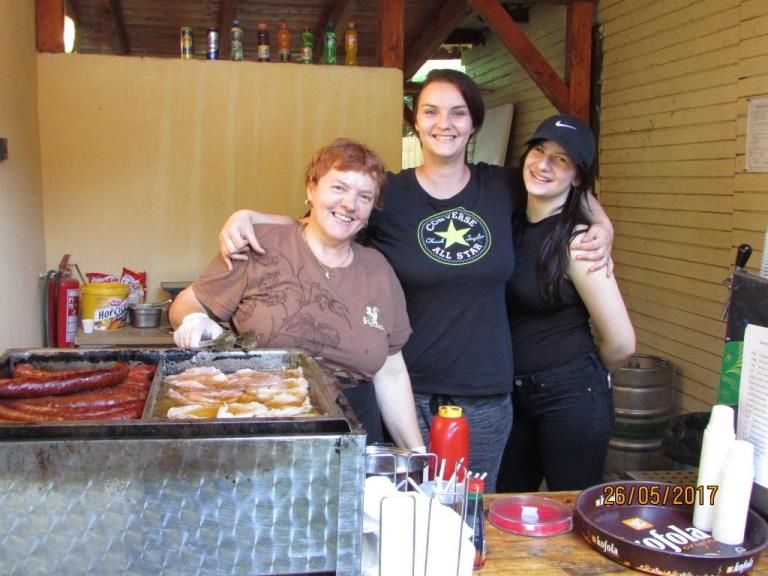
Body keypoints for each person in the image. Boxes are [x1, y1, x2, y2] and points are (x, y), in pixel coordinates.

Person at [215, 70, 613, 492]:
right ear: (416, 122)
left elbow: (568, 186)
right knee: (407, 508)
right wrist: (249, 217)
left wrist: (603, 224)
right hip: (407, 391)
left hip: (485, 395)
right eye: (431, 111)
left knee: (468, 510)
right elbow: (318, 223)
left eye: (458, 113)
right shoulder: (391, 193)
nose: (445, 123)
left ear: (474, 123)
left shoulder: (501, 185)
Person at [169, 138, 424, 451]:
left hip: (353, 437)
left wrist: (417, 455)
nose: (349, 204)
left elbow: (391, 372)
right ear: (311, 189)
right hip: (262, 425)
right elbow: (189, 300)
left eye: (364, 196)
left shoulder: (379, 269)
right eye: (339, 187)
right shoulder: (260, 245)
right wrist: (194, 319)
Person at [496, 115, 635, 493]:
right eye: (539, 150)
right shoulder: (511, 218)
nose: (543, 164)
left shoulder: (579, 243)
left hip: (570, 396)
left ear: (576, 177)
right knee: (507, 503)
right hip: (514, 394)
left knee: (573, 505)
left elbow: (622, 343)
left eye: (561, 159)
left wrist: (580, 376)